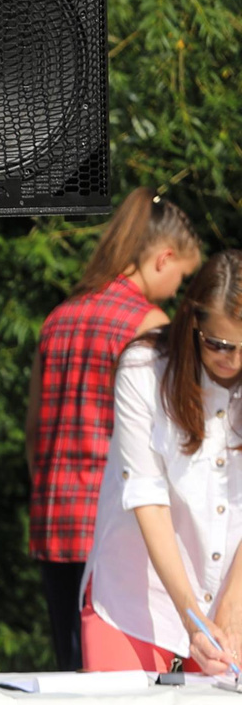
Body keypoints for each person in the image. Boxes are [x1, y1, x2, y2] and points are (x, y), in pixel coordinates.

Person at [26, 188, 200, 669]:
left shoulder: (58, 319)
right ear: (163, 258)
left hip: (54, 523)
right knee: (123, 698)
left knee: (71, 678)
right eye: (182, 276)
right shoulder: (149, 324)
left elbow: (34, 433)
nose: (179, 289)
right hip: (117, 533)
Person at [82, 248, 242, 676]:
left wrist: (229, 610)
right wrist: (193, 616)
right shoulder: (144, 368)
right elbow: (147, 497)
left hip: (231, 599)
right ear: (193, 322)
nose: (234, 362)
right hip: (137, 598)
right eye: (220, 345)